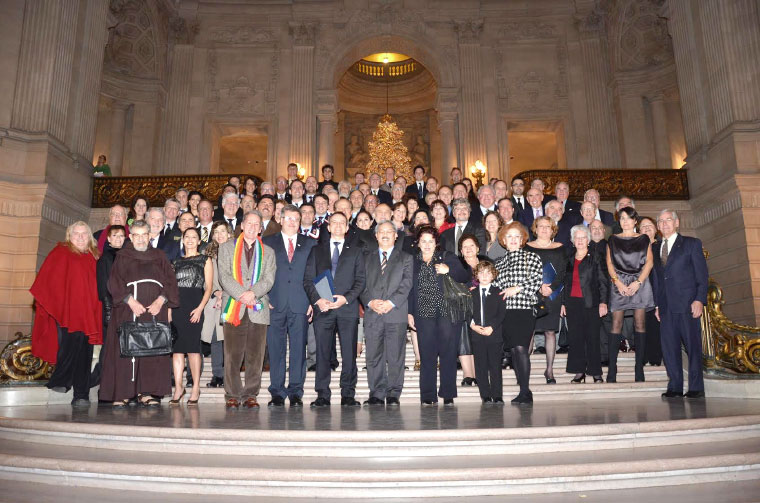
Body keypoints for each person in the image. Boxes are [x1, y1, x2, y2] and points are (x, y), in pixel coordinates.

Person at [99, 220, 180, 407]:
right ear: (131, 237)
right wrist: (130, 300)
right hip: (128, 311)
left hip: (154, 311)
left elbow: (170, 282)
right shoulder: (123, 256)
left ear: (150, 236)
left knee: (151, 351)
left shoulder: (160, 256)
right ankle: (123, 394)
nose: (141, 239)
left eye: (144, 234)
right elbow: (114, 282)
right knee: (125, 352)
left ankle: (147, 393)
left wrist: (161, 301)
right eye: (137, 235)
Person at [30, 222, 102, 407]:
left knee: (85, 354)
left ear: (89, 237)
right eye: (75, 234)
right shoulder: (61, 253)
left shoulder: (95, 256)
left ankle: (81, 394)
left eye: (84, 234)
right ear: (69, 236)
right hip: (67, 313)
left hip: (88, 314)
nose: (79, 237)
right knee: (70, 347)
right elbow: (47, 280)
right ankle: (61, 380)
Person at [304, 212, 366, 407]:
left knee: (349, 354)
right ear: (328, 227)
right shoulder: (316, 250)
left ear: (347, 228)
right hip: (323, 308)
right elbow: (307, 280)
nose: (338, 226)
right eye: (334, 223)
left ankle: (348, 394)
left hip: (346, 309)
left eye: (342, 223)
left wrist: (346, 299)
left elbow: (361, 281)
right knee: (322, 354)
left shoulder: (356, 251)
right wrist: (317, 300)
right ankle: (323, 394)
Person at [217, 210, 276, 408]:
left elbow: (269, 278)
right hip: (234, 306)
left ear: (260, 229)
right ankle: (232, 394)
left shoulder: (268, 252)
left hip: (257, 309)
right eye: (249, 223)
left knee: (255, 356)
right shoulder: (226, 248)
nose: (252, 227)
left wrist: (253, 294)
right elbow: (224, 276)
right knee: (232, 355)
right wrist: (242, 294)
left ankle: (251, 394)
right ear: (242, 225)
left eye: (256, 224)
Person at [407, 225, 471, 406]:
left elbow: (465, 276)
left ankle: (448, 393)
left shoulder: (447, 257)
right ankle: (428, 395)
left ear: (436, 243)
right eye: (423, 241)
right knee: (427, 355)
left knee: (448, 354)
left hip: (447, 312)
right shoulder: (413, 262)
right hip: (423, 313)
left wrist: (448, 270)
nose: (427, 244)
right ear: (418, 243)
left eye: (431, 241)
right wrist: (410, 312)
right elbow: (410, 290)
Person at [262, 205, 317, 407]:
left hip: (301, 303)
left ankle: (295, 391)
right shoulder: (267, 242)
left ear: (300, 221)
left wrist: (315, 300)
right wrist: (263, 297)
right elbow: (259, 273)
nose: (292, 222)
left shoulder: (311, 243)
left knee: (298, 351)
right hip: (274, 303)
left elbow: (317, 273)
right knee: (276, 349)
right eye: (289, 218)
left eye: (296, 218)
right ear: (281, 219)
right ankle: (276, 391)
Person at [653, 209, 708, 399]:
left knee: (692, 347)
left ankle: (695, 387)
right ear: (658, 226)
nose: (665, 223)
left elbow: (702, 275)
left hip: (687, 304)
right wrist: (658, 305)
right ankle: (675, 386)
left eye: (669, 220)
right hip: (666, 306)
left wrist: (699, 299)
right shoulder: (655, 247)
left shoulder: (691, 244)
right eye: (661, 221)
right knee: (669, 348)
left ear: (677, 223)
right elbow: (657, 279)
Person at [360, 221, 413, 406]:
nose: (384, 234)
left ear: (395, 235)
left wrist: (390, 303)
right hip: (373, 314)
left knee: (395, 355)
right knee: (373, 355)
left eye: (389, 231)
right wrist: (370, 301)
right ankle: (376, 392)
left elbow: (406, 284)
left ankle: (393, 393)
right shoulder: (365, 258)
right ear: (375, 235)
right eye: (380, 231)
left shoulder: (406, 258)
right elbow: (360, 284)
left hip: (395, 313)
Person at [494, 222, 543, 405]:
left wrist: (518, 288)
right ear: (504, 241)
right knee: (514, 350)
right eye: (509, 237)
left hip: (523, 309)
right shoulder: (499, 263)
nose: (513, 240)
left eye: (517, 237)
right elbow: (496, 287)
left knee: (521, 348)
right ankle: (522, 390)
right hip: (505, 311)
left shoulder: (532, 258)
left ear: (522, 239)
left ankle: (525, 391)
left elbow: (536, 280)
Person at [605, 207, 654, 383]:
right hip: (618, 282)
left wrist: (638, 282)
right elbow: (609, 263)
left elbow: (649, 262)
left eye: (629, 218)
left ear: (635, 221)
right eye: (622, 218)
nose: (625, 221)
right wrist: (617, 282)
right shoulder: (612, 239)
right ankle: (612, 369)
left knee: (640, 324)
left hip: (639, 282)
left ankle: (639, 368)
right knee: (616, 324)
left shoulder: (643, 238)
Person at [170, 227, 213, 406]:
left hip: (195, 306)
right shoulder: (175, 262)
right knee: (177, 350)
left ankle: (195, 387)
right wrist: (169, 311)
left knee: (194, 349)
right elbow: (171, 289)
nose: (189, 240)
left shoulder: (205, 259)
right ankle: (179, 387)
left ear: (198, 241)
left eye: (193, 237)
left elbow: (209, 288)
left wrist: (200, 308)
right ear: (183, 240)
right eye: (187, 237)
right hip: (177, 307)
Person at [561, 225, 608, 384]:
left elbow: (603, 281)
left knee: (593, 338)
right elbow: (565, 283)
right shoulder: (568, 258)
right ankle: (579, 372)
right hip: (572, 304)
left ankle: (596, 372)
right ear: (572, 241)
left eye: (583, 238)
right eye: (577, 238)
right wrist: (563, 303)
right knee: (576, 338)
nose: (580, 241)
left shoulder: (596, 256)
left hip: (591, 303)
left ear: (588, 240)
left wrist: (603, 302)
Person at [525, 216, 567, 383]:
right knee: (529, 333)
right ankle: (524, 370)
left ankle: (549, 370)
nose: (543, 229)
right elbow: (525, 271)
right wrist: (539, 286)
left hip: (553, 295)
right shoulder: (527, 247)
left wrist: (551, 287)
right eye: (540, 226)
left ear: (553, 230)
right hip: (532, 295)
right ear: (535, 229)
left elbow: (564, 272)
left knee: (550, 332)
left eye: (547, 227)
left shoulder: (560, 248)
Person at [91, 225, 126, 387]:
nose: (118, 238)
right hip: (111, 309)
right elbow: (103, 288)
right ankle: (105, 387)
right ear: (109, 239)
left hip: (126, 309)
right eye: (115, 236)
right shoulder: (105, 258)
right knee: (109, 350)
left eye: (121, 236)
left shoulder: (127, 256)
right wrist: (108, 311)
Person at [469, 261, 507, 404]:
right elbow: (467, 312)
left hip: (494, 334)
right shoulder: (471, 293)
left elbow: (501, 313)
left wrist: (492, 327)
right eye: (481, 272)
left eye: (488, 272)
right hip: (477, 334)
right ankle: (485, 394)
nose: (484, 275)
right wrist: (473, 325)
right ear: (476, 275)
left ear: (493, 275)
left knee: (495, 365)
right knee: (480, 365)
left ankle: (497, 395)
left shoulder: (499, 292)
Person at [201, 221, 232, 389]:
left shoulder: (236, 252)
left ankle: (229, 375)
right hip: (213, 300)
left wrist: (226, 294)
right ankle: (217, 375)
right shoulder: (208, 254)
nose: (220, 235)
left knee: (230, 339)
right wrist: (217, 293)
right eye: (216, 232)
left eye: (223, 231)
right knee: (215, 338)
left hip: (232, 300)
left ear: (229, 234)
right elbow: (207, 280)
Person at [457, 234, 487, 387]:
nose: (468, 249)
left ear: (477, 248)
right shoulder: (457, 265)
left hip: (485, 307)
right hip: (465, 307)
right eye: (465, 247)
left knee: (479, 340)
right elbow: (455, 286)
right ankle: (468, 374)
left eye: (471, 246)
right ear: (461, 251)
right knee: (464, 335)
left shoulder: (487, 264)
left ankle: (479, 373)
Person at [639, 216, 663, 366]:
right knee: (641, 325)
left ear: (656, 229)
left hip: (657, 291)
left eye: (649, 226)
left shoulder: (662, 247)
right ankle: (643, 357)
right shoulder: (636, 249)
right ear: (638, 231)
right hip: (640, 292)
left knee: (655, 326)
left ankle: (655, 357)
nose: (647, 229)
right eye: (643, 226)